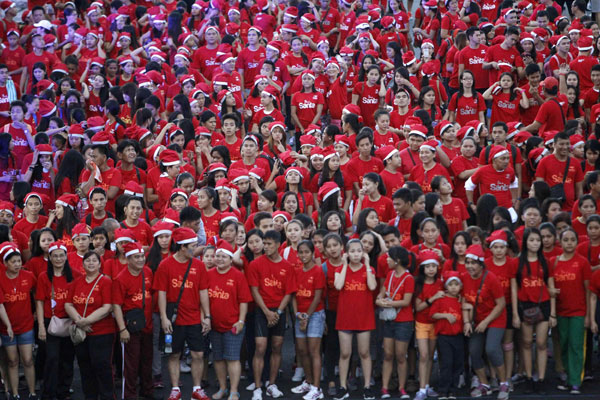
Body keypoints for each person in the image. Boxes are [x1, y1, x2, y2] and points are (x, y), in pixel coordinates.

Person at [154, 227, 212, 400]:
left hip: (194, 317)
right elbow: (161, 293)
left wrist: (207, 316)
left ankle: (196, 388)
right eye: (192, 246)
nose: (195, 250)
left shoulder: (199, 265)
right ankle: (175, 389)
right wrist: (164, 318)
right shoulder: (165, 266)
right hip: (174, 319)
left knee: (198, 354)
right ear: (181, 246)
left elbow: (203, 292)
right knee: (174, 354)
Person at [247, 230, 296, 400]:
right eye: (264, 243)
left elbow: (289, 292)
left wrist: (278, 312)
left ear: (277, 244)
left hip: (279, 311)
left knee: (277, 347)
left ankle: (272, 384)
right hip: (262, 311)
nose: (265, 247)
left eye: (268, 244)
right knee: (260, 347)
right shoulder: (255, 264)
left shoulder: (287, 267)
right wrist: (267, 312)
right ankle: (258, 387)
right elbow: (254, 290)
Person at [64, 251, 115, 400]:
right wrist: (80, 321)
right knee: (85, 367)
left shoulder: (106, 281)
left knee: (102, 366)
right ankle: (90, 396)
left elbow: (107, 307)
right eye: (87, 261)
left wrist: (87, 321)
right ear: (83, 264)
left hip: (102, 332)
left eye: (94, 260)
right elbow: (68, 304)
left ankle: (107, 396)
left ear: (100, 264)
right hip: (81, 333)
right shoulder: (77, 282)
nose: (91, 263)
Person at [461, 244, 510, 400]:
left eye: (473, 263)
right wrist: (467, 322)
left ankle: (503, 382)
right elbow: (464, 301)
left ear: (481, 263)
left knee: (491, 349)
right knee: (474, 351)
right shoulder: (464, 278)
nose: (469, 266)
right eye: (467, 262)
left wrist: (486, 321)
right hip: (477, 320)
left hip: (495, 318)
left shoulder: (491, 278)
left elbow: (501, 304)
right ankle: (484, 384)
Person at [333, 239, 377, 400]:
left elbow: (372, 287)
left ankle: (367, 386)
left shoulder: (369, 269)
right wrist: (345, 265)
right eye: (352, 251)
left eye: (359, 251)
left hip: (364, 317)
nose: (356, 254)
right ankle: (343, 386)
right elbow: (338, 285)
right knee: (345, 353)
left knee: (364, 352)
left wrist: (367, 265)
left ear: (363, 253)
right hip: (345, 317)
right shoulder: (340, 268)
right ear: (347, 253)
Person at [207, 240, 251, 400]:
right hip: (214, 325)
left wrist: (240, 321)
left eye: (223, 257)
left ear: (231, 259)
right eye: (217, 256)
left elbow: (244, 301)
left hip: (233, 324)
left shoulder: (238, 276)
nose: (219, 259)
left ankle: (233, 390)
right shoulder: (208, 274)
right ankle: (223, 388)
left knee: (232, 358)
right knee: (218, 358)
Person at [550, 228, 592, 395]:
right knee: (564, 345)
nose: (569, 243)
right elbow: (550, 285)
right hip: (561, 312)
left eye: (572, 240)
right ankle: (567, 377)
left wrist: (588, 315)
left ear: (576, 242)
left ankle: (575, 381)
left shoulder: (582, 262)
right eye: (565, 240)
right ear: (560, 241)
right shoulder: (553, 261)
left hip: (578, 312)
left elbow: (589, 290)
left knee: (576, 346)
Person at [35, 240, 79, 400]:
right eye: (55, 256)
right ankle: (48, 393)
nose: (59, 259)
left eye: (62, 256)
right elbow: (39, 302)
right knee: (52, 358)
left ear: (66, 257)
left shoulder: (75, 275)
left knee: (67, 359)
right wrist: (40, 326)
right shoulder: (43, 277)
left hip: (70, 322)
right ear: (50, 257)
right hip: (50, 322)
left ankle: (64, 391)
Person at [112, 241, 154, 400]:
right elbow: (116, 305)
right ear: (128, 259)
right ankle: (129, 395)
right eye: (136, 257)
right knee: (131, 364)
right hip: (130, 328)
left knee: (146, 362)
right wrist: (122, 329)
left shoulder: (148, 272)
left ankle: (147, 392)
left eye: (142, 256)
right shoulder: (121, 279)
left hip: (147, 325)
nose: (140, 260)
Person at [376, 246, 415, 400]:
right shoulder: (390, 274)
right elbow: (382, 292)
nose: (386, 260)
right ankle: (385, 388)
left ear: (397, 260)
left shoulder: (409, 278)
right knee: (388, 354)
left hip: (403, 321)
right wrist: (379, 299)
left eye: (389, 257)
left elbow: (406, 301)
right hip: (390, 320)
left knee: (400, 355)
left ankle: (401, 387)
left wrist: (387, 304)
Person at [0, 243, 37, 400]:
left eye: (19, 261)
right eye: (13, 262)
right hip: (6, 329)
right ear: (5, 263)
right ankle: (14, 394)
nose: (17, 264)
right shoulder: (1, 279)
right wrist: (8, 325)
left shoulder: (28, 276)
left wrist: (35, 312)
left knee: (28, 360)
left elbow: (37, 292)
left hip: (26, 326)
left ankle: (32, 392)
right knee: (12, 361)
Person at [290, 240, 326, 400]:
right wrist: (298, 314)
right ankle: (309, 381)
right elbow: (293, 296)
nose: (303, 255)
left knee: (313, 351)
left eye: (306, 252)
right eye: (301, 252)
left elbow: (318, 297)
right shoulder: (296, 271)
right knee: (302, 351)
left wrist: (307, 316)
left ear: (313, 253)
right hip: (300, 315)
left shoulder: (318, 271)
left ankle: (317, 388)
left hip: (315, 314)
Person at [430, 271, 464, 400]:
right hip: (444, 336)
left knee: (457, 363)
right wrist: (445, 315)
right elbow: (432, 315)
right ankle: (443, 390)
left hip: (458, 336)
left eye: (456, 284)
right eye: (451, 285)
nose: (454, 287)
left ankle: (452, 390)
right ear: (446, 286)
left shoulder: (461, 300)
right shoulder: (441, 300)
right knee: (446, 363)